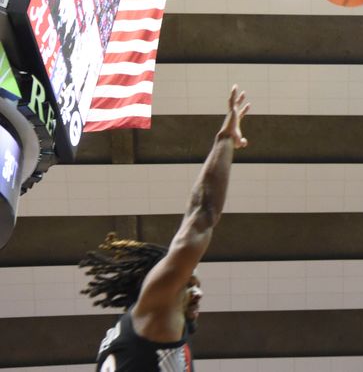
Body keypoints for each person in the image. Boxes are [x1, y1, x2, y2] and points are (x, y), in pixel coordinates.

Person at [80, 85, 251, 372]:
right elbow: (201, 214)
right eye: (188, 282)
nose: (198, 294)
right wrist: (224, 141)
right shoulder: (157, 311)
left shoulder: (141, 328)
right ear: (160, 282)